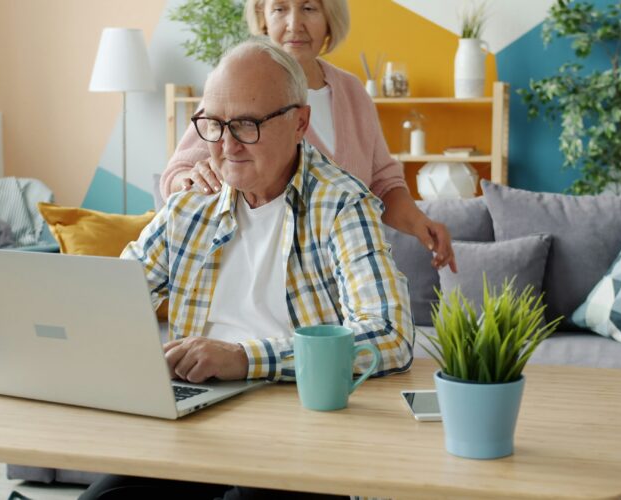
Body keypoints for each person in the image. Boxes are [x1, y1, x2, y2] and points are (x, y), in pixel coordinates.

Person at [80, 38, 413, 499]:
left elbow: (390, 335)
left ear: (300, 122)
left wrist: (243, 358)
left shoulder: (341, 204)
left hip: (299, 427)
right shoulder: (190, 207)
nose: (227, 145)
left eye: (247, 125)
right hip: (196, 420)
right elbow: (109, 296)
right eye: (214, 125)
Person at [159, 0, 457, 273]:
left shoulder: (353, 93)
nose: (294, 23)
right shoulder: (237, 87)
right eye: (280, 9)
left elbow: (382, 184)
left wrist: (421, 223)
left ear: (330, 18)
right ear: (263, 17)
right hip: (265, 281)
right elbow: (177, 174)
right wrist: (192, 181)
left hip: (348, 279)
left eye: (309, 8)